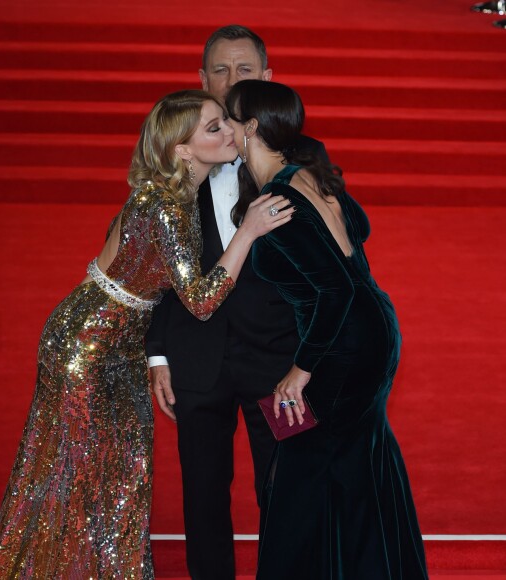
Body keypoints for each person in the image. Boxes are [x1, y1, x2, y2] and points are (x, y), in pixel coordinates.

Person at [0, 89, 293, 579]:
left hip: (126, 349)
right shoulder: (164, 205)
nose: (231, 131)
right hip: (88, 349)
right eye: (214, 127)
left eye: (226, 122)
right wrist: (248, 232)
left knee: (124, 478)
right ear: (181, 150)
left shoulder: (174, 197)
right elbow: (201, 301)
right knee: (75, 476)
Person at [145, 25, 329, 580]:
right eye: (219, 71)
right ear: (202, 80)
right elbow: (150, 266)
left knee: (291, 488)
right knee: (202, 499)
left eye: (243, 70)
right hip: (195, 363)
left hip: (279, 367)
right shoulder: (176, 160)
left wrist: (312, 360)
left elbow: (329, 273)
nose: (230, 82)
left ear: (266, 78)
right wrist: (157, 355)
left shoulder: (301, 161)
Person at [225, 78, 429, 579]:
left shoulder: (278, 200)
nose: (225, 128)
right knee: (356, 461)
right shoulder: (305, 176)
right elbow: (358, 231)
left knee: (301, 469)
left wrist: (301, 369)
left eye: (229, 119)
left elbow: (333, 292)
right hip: (374, 330)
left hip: (341, 343)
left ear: (250, 128)